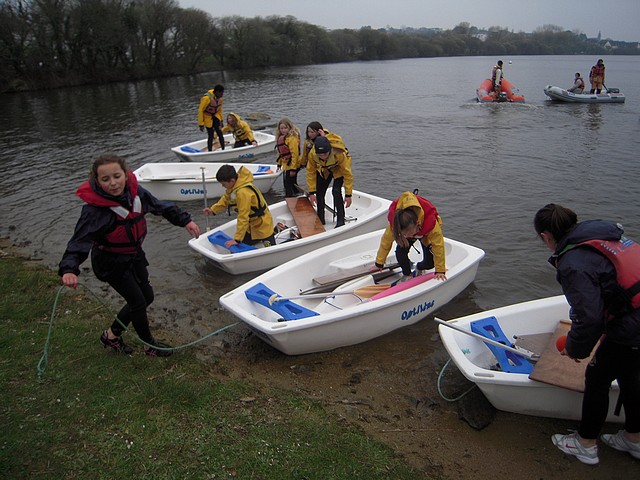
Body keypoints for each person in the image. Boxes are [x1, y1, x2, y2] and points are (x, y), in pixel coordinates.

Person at [58, 154, 201, 357]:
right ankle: (149, 346)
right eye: (105, 179)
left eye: (117, 176)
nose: (113, 183)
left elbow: (159, 206)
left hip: (134, 256)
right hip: (110, 263)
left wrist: (185, 220)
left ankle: (112, 335)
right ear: (96, 181)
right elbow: (79, 241)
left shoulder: (136, 193)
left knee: (147, 296)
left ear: (125, 175)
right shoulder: (94, 212)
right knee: (137, 302)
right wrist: (69, 269)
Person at [533, 203, 640, 465]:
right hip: (633, 316)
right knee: (631, 375)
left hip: (632, 325)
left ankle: (586, 444)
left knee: (597, 377)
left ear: (546, 237)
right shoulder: (601, 235)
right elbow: (613, 289)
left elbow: (589, 317)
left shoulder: (573, 263)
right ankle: (635, 439)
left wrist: (574, 348)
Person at [372, 191, 446, 283]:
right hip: (411, 231)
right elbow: (386, 242)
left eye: (409, 234)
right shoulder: (395, 225)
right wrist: (379, 263)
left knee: (430, 263)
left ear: (417, 224)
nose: (407, 236)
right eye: (404, 234)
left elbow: (438, 246)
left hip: (425, 234)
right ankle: (407, 274)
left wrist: (440, 270)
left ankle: (419, 267)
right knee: (400, 253)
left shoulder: (432, 225)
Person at [203, 164, 275, 248]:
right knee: (242, 244)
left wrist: (237, 239)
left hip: (262, 224)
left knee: (270, 247)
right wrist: (212, 210)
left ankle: (274, 231)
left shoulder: (242, 193)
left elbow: (243, 216)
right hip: (251, 226)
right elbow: (226, 199)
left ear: (232, 181)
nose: (223, 186)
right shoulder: (235, 186)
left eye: (224, 184)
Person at [306, 134, 353, 228]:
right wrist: (311, 192)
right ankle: (320, 218)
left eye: (325, 154)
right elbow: (310, 173)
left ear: (330, 150)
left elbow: (347, 175)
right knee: (319, 192)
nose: (323, 156)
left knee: (336, 191)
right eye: (320, 154)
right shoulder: (312, 154)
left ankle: (340, 220)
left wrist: (348, 195)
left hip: (339, 169)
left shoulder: (339, 154)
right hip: (324, 169)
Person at [275, 117, 302, 197]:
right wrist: (279, 164)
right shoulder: (281, 138)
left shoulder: (292, 139)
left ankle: (290, 197)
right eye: (281, 128)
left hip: (293, 164)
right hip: (286, 164)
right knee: (290, 183)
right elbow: (280, 152)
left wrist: (293, 169)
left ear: (290, 128)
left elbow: (295, 154)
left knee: (288, 184)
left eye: (285, 128)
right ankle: (296, 195)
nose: (283, 130)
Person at [198, 84, 225, 152]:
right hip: (208, 118)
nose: (222, 95)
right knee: (210, 135)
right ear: (217, 92)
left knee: (220, 133)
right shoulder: (206, 98)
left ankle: (223, 149)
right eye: (221, 93)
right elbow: (200, 110)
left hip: (216, 117)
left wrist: (221, 120)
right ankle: (210, 151)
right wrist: (201, 124)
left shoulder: (220, 99)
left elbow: (219, 110)